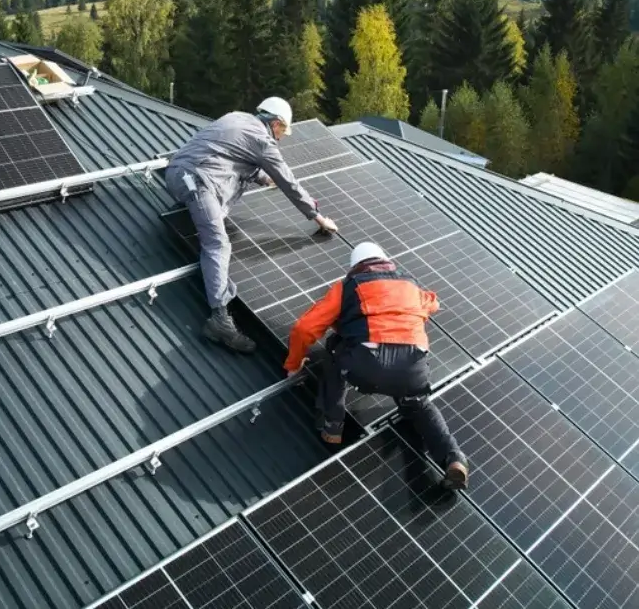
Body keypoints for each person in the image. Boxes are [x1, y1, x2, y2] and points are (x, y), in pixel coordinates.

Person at [284, 241, 469, 490]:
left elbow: (304, 328)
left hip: (368, 366)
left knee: (333, 353)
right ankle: (453, 459)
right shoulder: (411, 285)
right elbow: (433, 303)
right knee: (420, 406)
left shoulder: (347, 287)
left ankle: (333, 426)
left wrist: (294, 363)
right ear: (385, 261)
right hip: (412, 370)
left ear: (356, 267)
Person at [165, 97, 339, 353]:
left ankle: (220, 310)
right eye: (282, 131)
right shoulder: (262, 140)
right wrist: (318, 217)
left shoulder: (237, 117)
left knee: (216, 226)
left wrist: (261, 177)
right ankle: (220, 320)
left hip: (183, 174)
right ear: (276, 123)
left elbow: (228, 153)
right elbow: (289, 182)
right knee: (217, 243)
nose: (281, 138)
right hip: (195, 179)